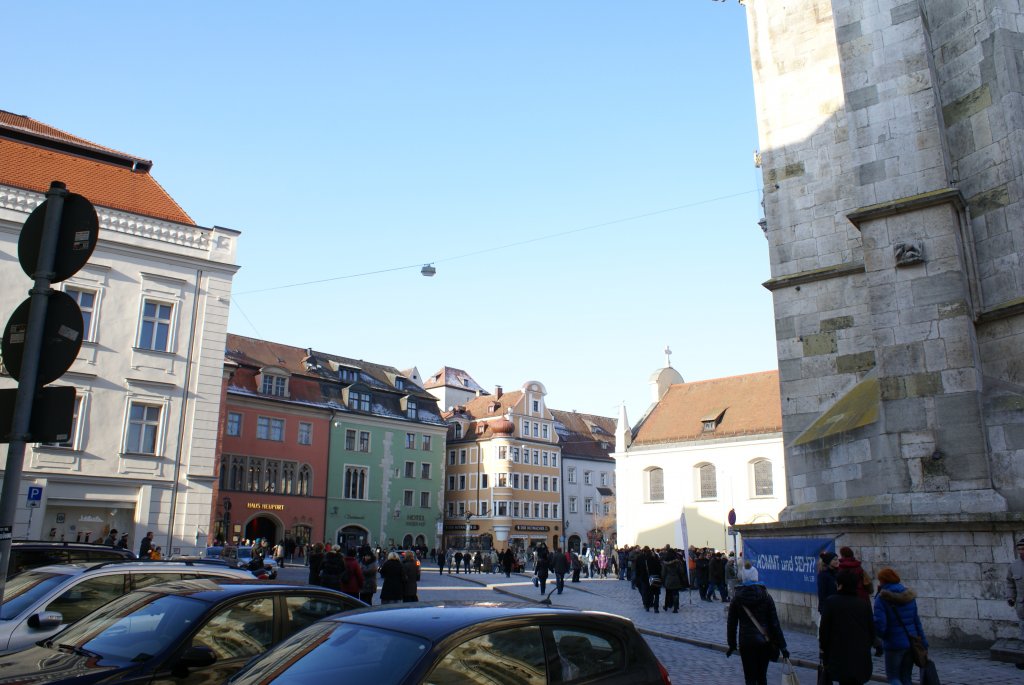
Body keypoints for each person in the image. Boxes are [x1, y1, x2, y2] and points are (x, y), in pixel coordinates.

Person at [726, 567, 789, 685]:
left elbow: (732, 624)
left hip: (746, 642)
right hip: (764, 641)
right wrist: (783, 646)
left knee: (749, 678)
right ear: (756, 577)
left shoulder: (737, 598)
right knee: (762, 677)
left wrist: (732, 644)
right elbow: (774, 623)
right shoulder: (766, 596)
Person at [872, 567, 927, 685]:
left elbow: (880, 625)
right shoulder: (909, 596)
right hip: (911, 641)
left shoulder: (881, 598)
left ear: (882, 581)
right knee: (906, 677)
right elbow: (917, 621)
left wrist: (880, 638)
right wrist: (923, 641)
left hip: (893, 643)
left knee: (893, 677)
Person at [820, 569, 875, 684]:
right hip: (860, 655)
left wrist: (824, 651)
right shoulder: (863, 604)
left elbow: (824, 631)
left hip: (840, 655)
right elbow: (871, 630)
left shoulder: (831, 602)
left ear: (840, 585)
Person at [1005, 538, 1024, 642]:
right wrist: (1010, 597)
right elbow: (1010, 583)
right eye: (1020, 549)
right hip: (1022, 604)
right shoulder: (1013, 566)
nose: (1022, 552)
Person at [817, 551, 840, 630]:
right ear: (829, 561)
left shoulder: (837, 573)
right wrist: (823, 609)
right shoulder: (823, 575)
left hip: (838, 606)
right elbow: (821, 593)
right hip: (828, 607)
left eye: (837, 559)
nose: (837, 561)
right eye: (834, 560)